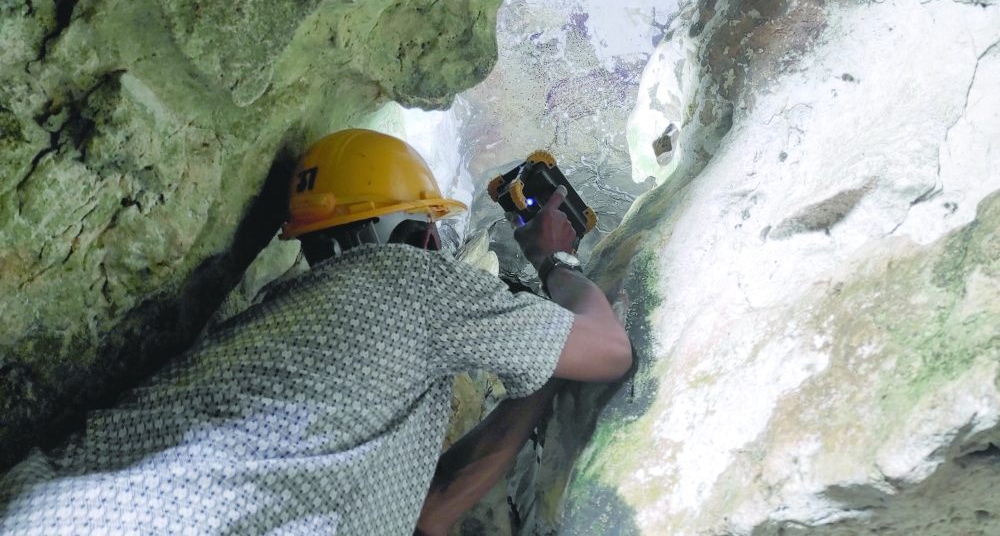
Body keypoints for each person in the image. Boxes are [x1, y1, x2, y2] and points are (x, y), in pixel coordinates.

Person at [0, 129, 631, 536]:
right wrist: (557, 261)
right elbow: (607, 351)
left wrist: (539, 373)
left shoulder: (268, 325)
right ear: (420, 236)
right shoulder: (407, 279)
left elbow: (428, 509)